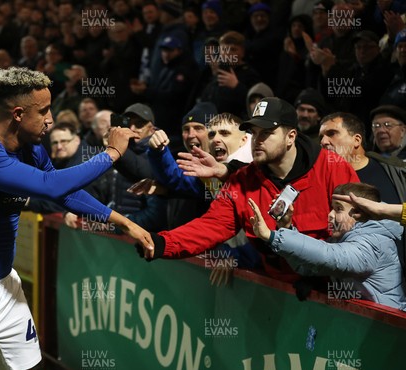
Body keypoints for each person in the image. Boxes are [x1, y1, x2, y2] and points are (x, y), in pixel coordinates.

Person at [0, 67, 153, 370]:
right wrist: (112, 154)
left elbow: (63, 194)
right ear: (18, 113)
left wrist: (121, 220)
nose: (51, 119)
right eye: (43, 111)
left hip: (4, 288)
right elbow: (49, 185)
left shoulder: (32, 148)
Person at [140, 97, 359, 284]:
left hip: (333, 294)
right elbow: (210, 227)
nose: (257, 140)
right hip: (275, 291)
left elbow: (359, 238)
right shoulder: (243, 180)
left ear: (290, 137)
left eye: (267, 133)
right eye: (254, 132)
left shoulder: (332, 168)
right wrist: (161, 243)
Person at [250, 183, 406, 311]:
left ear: (360, 214)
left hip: (389, 329)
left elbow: (330, 257)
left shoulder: (373, 244)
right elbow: (306, 267)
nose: (330, 214)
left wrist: (272, 237)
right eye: (332, 208)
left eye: (338, 209)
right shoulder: (342, 241)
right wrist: (286, 227)